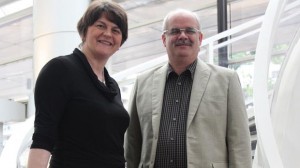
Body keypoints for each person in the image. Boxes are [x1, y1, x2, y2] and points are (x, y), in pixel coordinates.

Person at [125, 9, 252, 168]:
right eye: (175, 31)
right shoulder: (142, 82)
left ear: (199, 38)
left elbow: (239, 143)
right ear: (164, 39)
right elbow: (132, 143)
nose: (183, 36)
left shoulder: (227, 80)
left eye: (190, 31)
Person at [27, 1, 129, 168]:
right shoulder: (60, 70)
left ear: (120, 42)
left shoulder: (112, 86)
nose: (108, 34)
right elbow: (43, 137)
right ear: (84, 32)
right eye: (101, 25)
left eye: (115, 30)